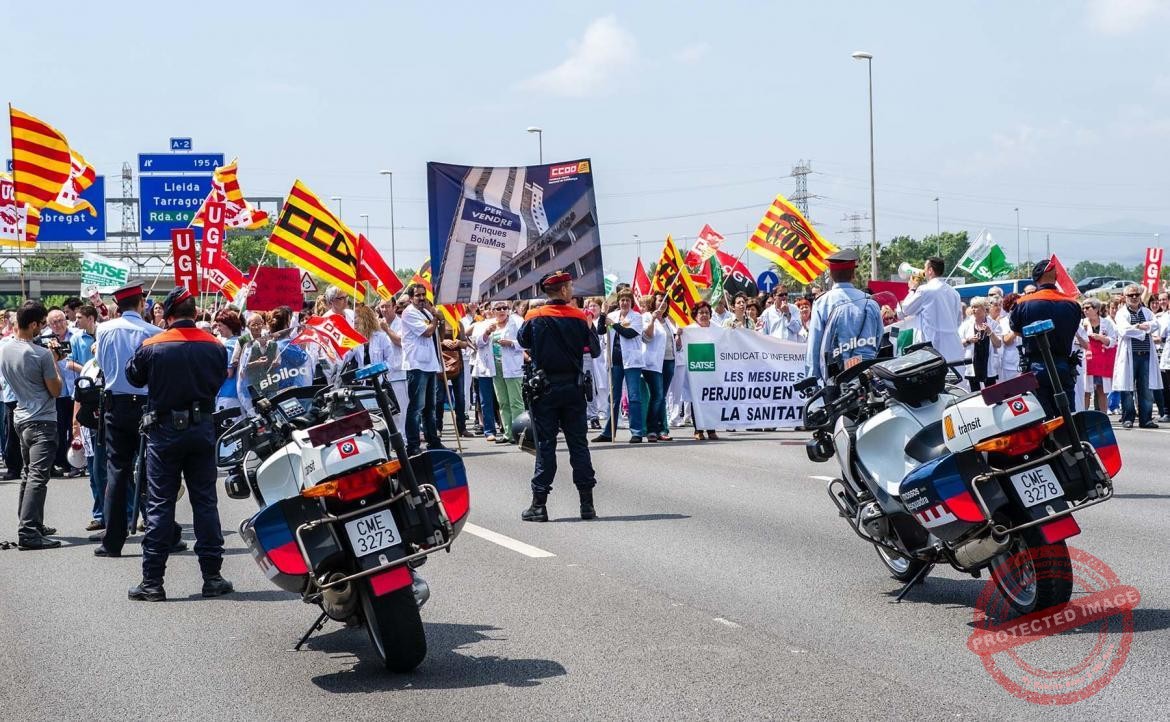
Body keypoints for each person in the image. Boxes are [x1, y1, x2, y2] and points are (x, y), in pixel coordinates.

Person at [124, 287, 231, 601]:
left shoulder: (152, 345)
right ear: (195, 313)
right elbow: (217, 380)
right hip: (202, 429)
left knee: (159, 505)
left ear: (167, 315)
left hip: (164, 430)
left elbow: (134, 377)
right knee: (205, 503)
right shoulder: (215, 345)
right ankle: (212, 577)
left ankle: (153, 582)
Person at [93, 282, 172, 558]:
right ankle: (162, 532)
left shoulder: (103, 330)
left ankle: (112, 540)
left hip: (115, 403)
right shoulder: (155, 333)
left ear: (118, 305)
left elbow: (102, 365)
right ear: (142, 304)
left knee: (117, 471)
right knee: (155, 470)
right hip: (147, 404)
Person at [517, 270, 601, 522]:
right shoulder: (579, 317)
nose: (572, 290)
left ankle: (539, 505)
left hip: (544, 389)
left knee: (546, 447)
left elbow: (523, 341)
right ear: (563, 291)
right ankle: (587, 505)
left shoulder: (533, 316)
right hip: (573, 389)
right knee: (579, 446)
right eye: (570, 287)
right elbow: (594, 350)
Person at [0, 301, 66, 549]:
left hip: (21, 417)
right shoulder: (41, 354)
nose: (43, 329)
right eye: (41, 324)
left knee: (29, 475)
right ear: (33, 324)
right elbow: (56, 390)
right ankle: (28, 531)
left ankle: (32, 523)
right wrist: (55, 361)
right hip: (42, 421)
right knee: (38, 477)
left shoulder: (4, 348)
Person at [1010, 260, 1083, 419]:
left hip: (1036, 366)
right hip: (1064, 365)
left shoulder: (1023, 303)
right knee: (1066, 417)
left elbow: (1015, 330)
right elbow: (1073, 329)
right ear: (1056, 277)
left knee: (1040, 418)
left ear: (1036, 278)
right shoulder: (1072, 303)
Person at [805, 249, 883, 381]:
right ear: (853, 274)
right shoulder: (870, 301)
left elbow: (815, 346)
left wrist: (812, 380)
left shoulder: (822, 302)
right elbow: (879, 339)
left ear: (830, 274)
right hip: (868, 375)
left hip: (836, 377)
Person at [593, 289, 646, 443]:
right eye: (622, 300)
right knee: (614, 398)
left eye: (627, 300)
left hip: (632, 362)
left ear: (631, 302)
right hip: (615, 361)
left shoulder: (636, 317)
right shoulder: (612, 315)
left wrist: (614, 325)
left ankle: (636, 432)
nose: (624, 303)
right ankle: (608, 432)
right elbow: (600, 330)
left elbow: (629, 333)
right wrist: (603, 314)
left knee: (634, 396)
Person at [401, 283, 444, 455]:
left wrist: (440, 320)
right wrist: (435, 318)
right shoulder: (409, 312)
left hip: (430, 363)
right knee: (416, 407)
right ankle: (412, 445)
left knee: (430, 407)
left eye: (423, 295)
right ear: (411, 298)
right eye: (417, 295)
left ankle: (433, 441)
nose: (421, 298)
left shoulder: (425, 312)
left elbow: (437, 335)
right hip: (416, 364)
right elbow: (427, 332)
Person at [1112, 284, 1162, 429]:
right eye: (1131, 295)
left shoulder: (1146, 311)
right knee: (1127, 388)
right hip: (1129, 355)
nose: (1134, 297)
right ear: (1125, 297)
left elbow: (1155, 324)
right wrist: (1143, 330)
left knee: (1145, 389)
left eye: (1136, 295)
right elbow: (1124, 330)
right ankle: (1128, 418)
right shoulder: (1122, 313)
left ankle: (1145, 419)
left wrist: (1140, 326)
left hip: (1145, 355)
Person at [898, 256, 964, 364]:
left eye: (924, 268)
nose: (923, 271)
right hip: (953, 346)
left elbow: (905, 309)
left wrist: (912, 289)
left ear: (930, 270)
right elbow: (958, 321)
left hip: (933, 347)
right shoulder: (954, 293)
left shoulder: (924, 290)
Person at [478, 301, 525, 444]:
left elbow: (525, 342)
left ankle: (519, 435)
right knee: (503, 402)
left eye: (505, 308)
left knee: (516, 402)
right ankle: (508, 433)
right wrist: (487, 332)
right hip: (496, 368)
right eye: (498, 308)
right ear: (492, 311)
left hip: (512, 367)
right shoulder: (488, 324)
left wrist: (511, 343)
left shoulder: (517, 322)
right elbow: (479, 343)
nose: (502, 311)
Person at [42, 309, 79, 477]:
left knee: (75, 427)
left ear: (66, 319)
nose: (58, 324)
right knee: (58, 428)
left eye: (61, 320)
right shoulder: (43, 339)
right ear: (49, 324)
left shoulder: (77, 336)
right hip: (55, 390)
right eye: (54, 322)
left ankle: (75, 461)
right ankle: (59, 461)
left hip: (75, 389)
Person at [686, 301, 720, 441]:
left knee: (711, 398)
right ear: (695, 315)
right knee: (697, 399)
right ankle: (698, 429)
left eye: (707, 312)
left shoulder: (717, 329)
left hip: (713, 370)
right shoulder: (689, 330)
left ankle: (711, 429)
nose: (704, 315)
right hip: (696, 370)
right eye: (701, 313)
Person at [640, 292, 672, 442]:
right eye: (660, 300)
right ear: (654, 302)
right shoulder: (647, 316)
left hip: (669, 361)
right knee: (657, 396)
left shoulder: (668, 321)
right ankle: (651, 429)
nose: (663, 303)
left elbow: (672, 341)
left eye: (666, 301)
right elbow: (647, 337)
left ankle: (662, 429)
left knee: (661, 398)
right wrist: (652, 319)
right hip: (652, 364)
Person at [376, 297, 408, 435]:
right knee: (389, 410)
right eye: (382, 307)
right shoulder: (377, 325)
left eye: (387, 306)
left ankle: (405, 439)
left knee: (402, 409)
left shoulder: (401, 324)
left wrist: (387, 329)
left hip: (399, 373)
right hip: (383, 376)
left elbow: (400, 342)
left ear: (394, 307)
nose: (384, 310)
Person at [958, 297, 1002, 391]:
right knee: (975, 395)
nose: (973, 309)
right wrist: (969, 340)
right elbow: (958, 343)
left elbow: (998, 344)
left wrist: (990, 332)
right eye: (972, 307)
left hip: (988, 364)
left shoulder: (993, 324)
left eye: (976, 307)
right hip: (973, 364)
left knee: (992, 393)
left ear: (984, 308)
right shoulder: (966, 324)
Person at [1081, 298, 1117, 413]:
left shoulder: (1107, 323)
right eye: (1083, 308)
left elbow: (1113, 340)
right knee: (1086, 391)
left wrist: (1101, 338)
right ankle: (1084, 415)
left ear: (1096, 309)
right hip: (1087, 361)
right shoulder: (1081, 323)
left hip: (1102, 361)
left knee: (1102, 390)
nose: (1085, 310)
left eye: (1088, 308)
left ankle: (1103, 415)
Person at [213, 309, 243, 413]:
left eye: (220, 325)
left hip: (228, 394)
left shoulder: (229, 345)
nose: (218, 329)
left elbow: (229, 373)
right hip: (242, 394)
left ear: (229, 325)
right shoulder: (243, 341)